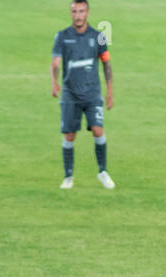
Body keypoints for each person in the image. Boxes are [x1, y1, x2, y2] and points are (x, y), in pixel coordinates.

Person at [51, 1, 115, 189]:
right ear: (71, 14)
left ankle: (103, 172)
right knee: (70, 134)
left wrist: (109, 91)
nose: (78, 15)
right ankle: (68, 176)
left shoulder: (99, 37)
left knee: (97, 130)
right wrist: (54, 82)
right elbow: (55, 62)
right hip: (70, 94)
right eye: (74, 12)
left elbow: (106, 63)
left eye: (81, 11)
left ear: (87, 13)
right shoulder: (62, 36)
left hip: (92, 93)